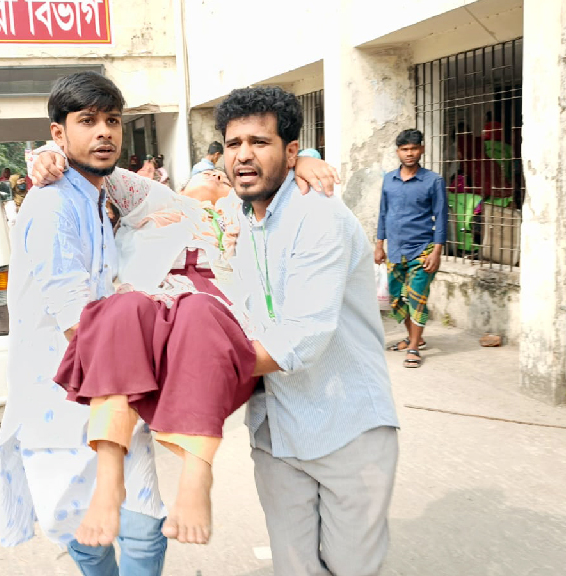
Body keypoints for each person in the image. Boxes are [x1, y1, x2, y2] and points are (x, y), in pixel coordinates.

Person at [28, 144, 338, 548]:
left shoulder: (241, 210)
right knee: (121, 311)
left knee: (199, 314)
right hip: (147, 306)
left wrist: (305, 160)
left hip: (212, 309)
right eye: (206, 172)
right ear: (182, 182)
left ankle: (196, 472)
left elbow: (279, 181)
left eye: (221, 176)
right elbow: (93, 160)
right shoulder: (152, 199)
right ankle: (109, 476)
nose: (215, 176)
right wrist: (47, 153)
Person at [219, 86, 400, 576]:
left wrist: (201, 367)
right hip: (275, 429)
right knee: (294, 567)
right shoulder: (238, 215)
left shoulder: (319, 216)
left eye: (260, 142)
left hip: (345, 425)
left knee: (350, 567)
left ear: (291, 151)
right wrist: (53, 158)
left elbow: (301, 339)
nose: (244, 155)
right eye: (234, 144)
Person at [0, 71, 167, 576]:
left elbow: (194, 196)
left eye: (112, 120)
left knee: (143, 527)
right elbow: (77, 320)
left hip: (108, 389)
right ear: (59, 133)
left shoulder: (97, 191)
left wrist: (301, 162)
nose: (104, 132)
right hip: (62, 398)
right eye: (87, 121)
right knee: (87, 533)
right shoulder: (52, 205)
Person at [375, 129, 448, 368]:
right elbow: (383, 213)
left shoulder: (433, 181)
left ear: (422, 150)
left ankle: (414, 347)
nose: (409, 153)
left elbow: (441, 217)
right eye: (405, 149)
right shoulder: (389, 180)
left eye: (414, 148)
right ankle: (415, 337)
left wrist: (437, 252)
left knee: (417, 297)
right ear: (398, 152)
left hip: (423, 249)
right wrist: (379, 245)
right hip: (396, 250)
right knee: (397, 299)